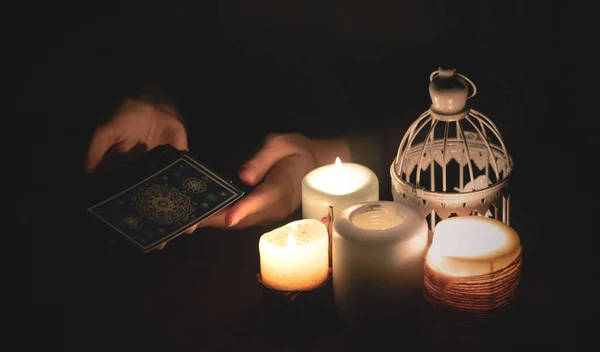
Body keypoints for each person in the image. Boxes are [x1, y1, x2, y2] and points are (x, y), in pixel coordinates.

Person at [81, 1, 553, 249]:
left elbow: (525, 81)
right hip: (222, 174)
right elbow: (174, 37)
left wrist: (344, 150)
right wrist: (154, 95)